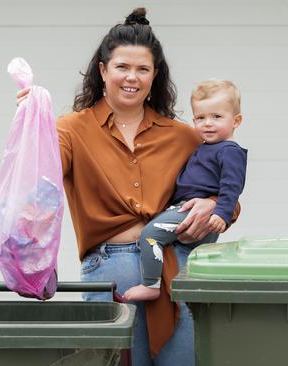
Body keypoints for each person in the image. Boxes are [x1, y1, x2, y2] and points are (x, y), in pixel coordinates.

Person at [16, 8, 239, 366]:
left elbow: (228, 194)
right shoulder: (71, 129)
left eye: (143, 69)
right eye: (122, 67)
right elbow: (41, 175)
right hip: (110, 273)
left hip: (176, 270)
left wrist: (213, 205)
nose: (131, 77)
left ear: (154, 76)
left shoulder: (183, 136)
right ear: (103, 71)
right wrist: (33, 124)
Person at [123, 79, 247, 302]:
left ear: (236, 120)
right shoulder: (205, 147)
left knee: (149, 236)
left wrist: (222, 213)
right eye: (201, 118)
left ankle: (150, 284)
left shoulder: (229, 150)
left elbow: (232, 185)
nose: (208, 123)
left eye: (217, 117)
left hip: (193, 211)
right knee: (187, 260)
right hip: (186, 209)